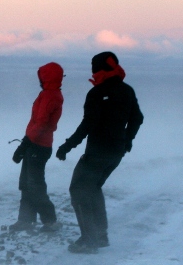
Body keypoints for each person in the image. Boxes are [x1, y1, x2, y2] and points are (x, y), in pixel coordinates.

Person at [55, 51, 143, 253]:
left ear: (98, 69)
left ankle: (90, 239)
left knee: (79, 190)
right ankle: (100, 236)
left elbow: (88, 124)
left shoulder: (97, 93)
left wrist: (66, 146)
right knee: (93, 188)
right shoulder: (126, 90)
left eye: (93, 67)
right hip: (116, 153)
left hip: (97, 152)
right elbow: (137, 118)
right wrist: (127, 140)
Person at [9, 62, 64, 233]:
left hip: (38, 146)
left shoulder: (49, 96)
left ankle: (50, 221)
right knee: (26, 184)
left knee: (34, 185)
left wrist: (25, 144)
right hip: (37, 144)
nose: (39, 80)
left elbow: (41, 124)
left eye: (41, 77)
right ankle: (26, 220)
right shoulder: (49, 94)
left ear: (46, 78)